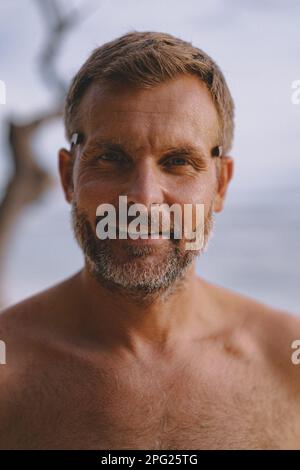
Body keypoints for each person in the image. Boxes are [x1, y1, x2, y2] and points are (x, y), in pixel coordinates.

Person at [0, 31, 299, 450]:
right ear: (69, 176)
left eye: (178, 162)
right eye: (111, 158)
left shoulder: (288, 361)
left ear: (220, 185)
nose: (142, 197)